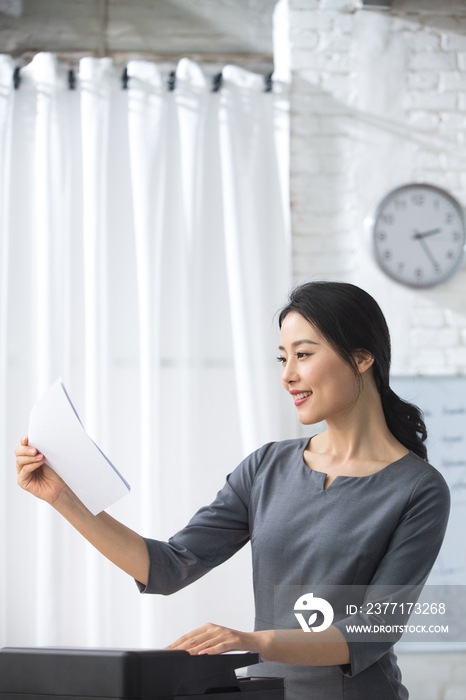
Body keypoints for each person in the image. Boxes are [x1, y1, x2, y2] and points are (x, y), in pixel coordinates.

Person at [16, 281, 450, 700]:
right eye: (282, 358)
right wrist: (63, 498)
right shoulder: (267, 467)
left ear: (361, 358)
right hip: (266, 695)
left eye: (302, 355)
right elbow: (168, 567)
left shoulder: (417, 489)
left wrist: (252, 640)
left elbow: (372, 630)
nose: (288, 375)